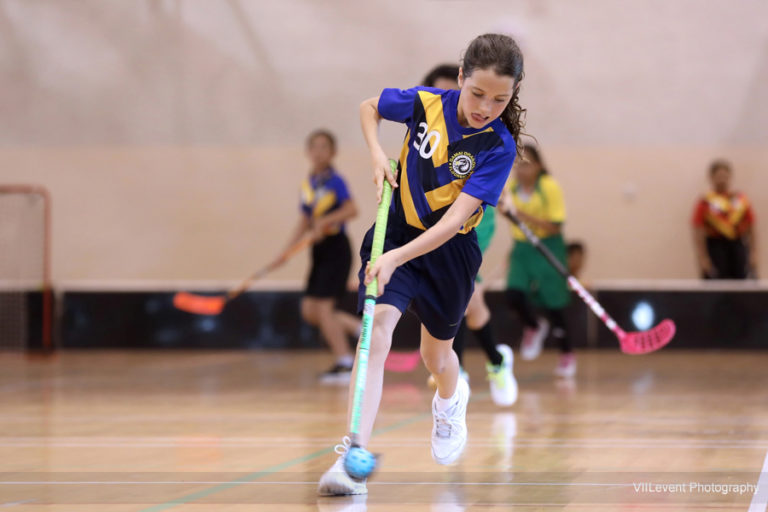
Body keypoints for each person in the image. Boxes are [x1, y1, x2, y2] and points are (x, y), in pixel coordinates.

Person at [318, 33, 525, 496]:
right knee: (377, 335)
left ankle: (451, 402)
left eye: (500, 99)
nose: (485, 107)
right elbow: (369, 107)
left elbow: (454, 222)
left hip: (449, 253)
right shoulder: (426, 102)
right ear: (459, 79)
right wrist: (375, 153)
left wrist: (397, 258)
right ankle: (352, 461)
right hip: (396, 230)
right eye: (477, 93)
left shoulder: (499, 146)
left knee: (437, 357)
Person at [420, 63, 517, 407]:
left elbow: (496, 168)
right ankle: (496, 359)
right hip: (431, 222)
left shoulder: (485, 126)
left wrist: (503, 193)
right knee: (468, 301)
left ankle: (457, 372)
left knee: (460, 293)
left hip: (471, 223)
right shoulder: (426, 122)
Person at [272, 129, 361, 383]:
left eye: (325, 147)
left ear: (333, 152)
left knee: (323, 308)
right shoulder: (309, 184)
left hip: (336, 248)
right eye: (315, 147)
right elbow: (304, 220)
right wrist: (286, 251)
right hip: (319, 251)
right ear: (308, 152)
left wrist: (325, 221)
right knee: (310, 310)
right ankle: (359, 329)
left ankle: (345, 363)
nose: (319, 152)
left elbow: (352, 209)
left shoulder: (336, 181)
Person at [501, 144, 575, 378]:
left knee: (554, 304)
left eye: (527, 164)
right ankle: (533, 326)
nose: (521, 170)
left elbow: (555, 225)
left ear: (538, 166)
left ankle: (566, 354)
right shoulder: (511, 188)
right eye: (517, 165)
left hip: (547, 245)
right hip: (523, 247)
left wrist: (520, 215)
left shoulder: (549, 187)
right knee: (513, 294)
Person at [692, 159, 758, 279]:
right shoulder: (705, 202)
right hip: (715, 246)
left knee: (741, 281)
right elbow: (698, 229)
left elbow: (751, 226)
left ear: (729, 177)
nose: (722, 179)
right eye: (718, 176)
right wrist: (703, 258)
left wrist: (753, 253)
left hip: (737, 245)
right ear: (711, 177)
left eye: (724, 176)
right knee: (717, 282)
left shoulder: (740, 199)